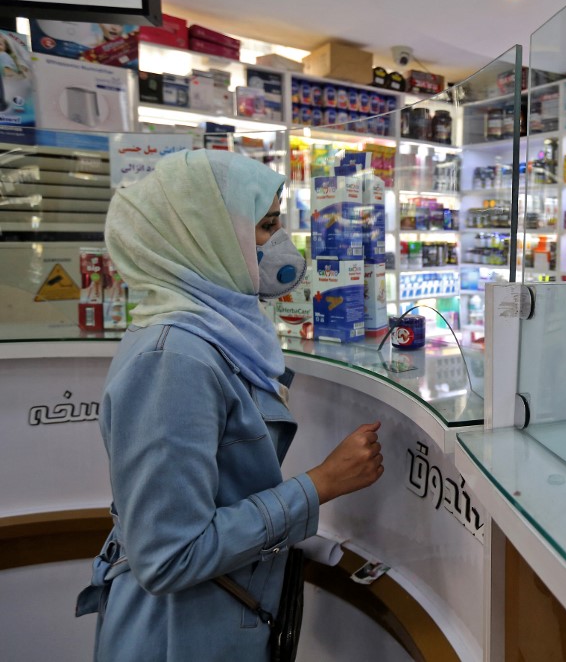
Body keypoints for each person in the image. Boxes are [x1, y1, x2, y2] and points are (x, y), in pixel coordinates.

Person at [75, 149, 385, 661]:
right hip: (177, 637)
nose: (279, 244)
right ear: (204, 237)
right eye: (263, 227)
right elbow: (169, 556)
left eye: (278, 224)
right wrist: (319, 485)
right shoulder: (174, 359)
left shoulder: (219, 333)